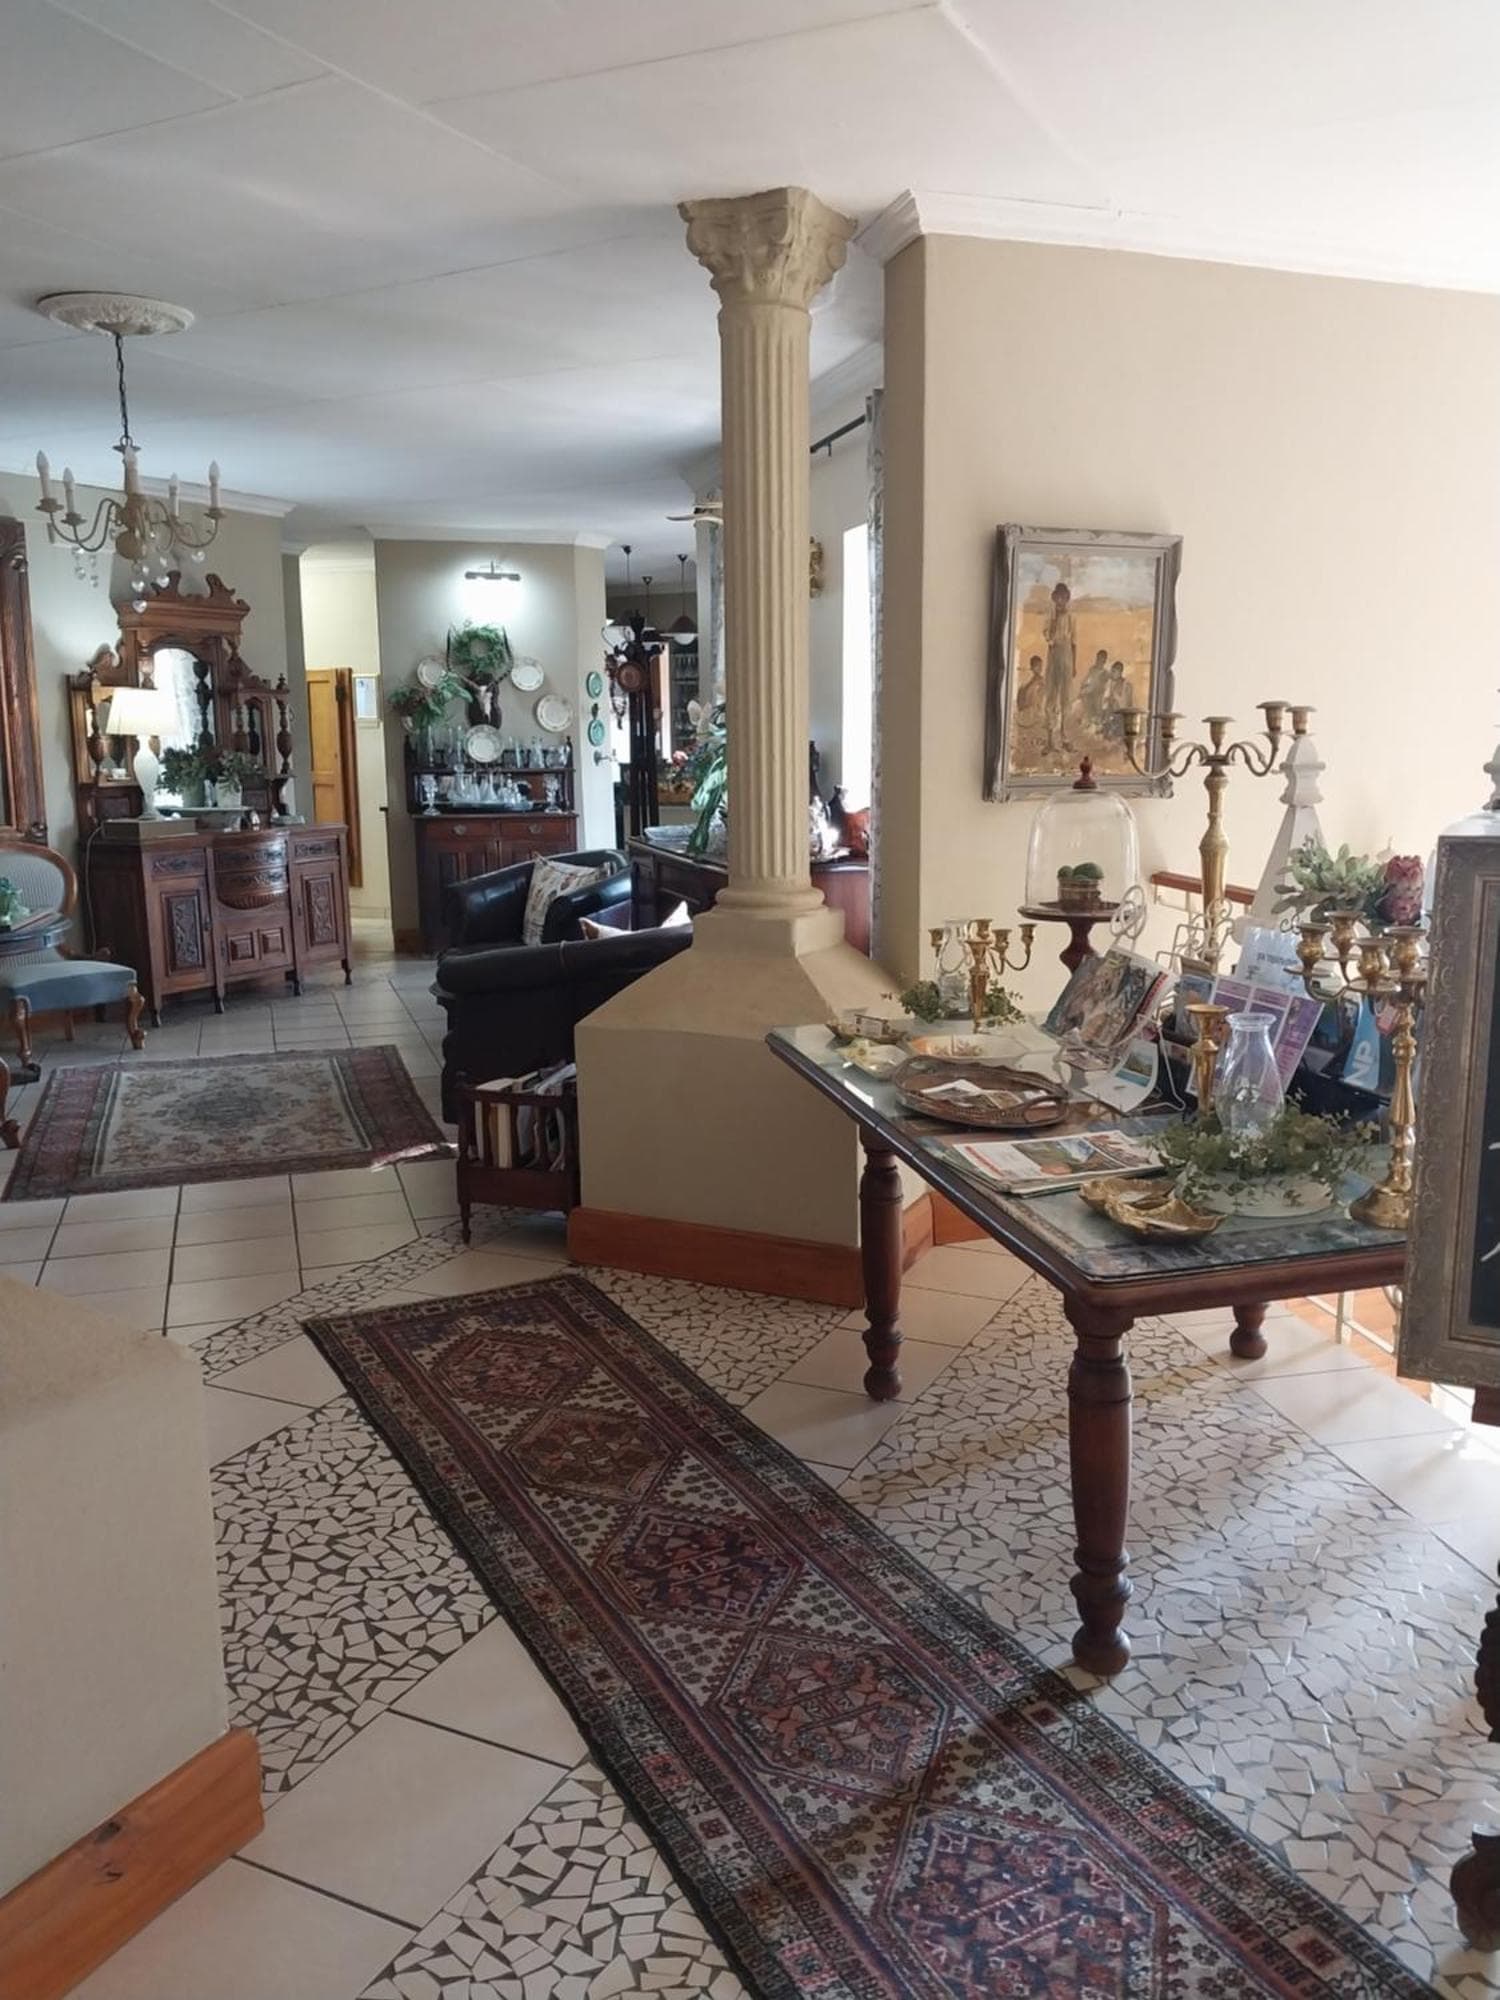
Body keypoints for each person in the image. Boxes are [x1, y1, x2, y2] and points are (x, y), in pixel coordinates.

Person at [1042, 581, 1075, 753]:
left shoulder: (1071, 617)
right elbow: (1046, 633)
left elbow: (1074, 642)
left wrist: (1073, 665)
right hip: (1053, 657)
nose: (1060, 601)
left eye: (1063, 598)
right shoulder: (1051, 615)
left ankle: (1065, 738)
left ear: (1067, 598)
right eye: (1058, 598)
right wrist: (1050, 639)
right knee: (1051, 698)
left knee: (1066, 699)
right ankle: (1050, 741)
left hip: (1067, 658)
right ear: (1054, 598)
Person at [1080, 648, 1110, 732]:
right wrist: (1083, 686)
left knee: (1098, 701)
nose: (1099, 661)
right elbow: (1087, 679)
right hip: (1091, 691)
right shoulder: (1092, 669)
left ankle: (1098, 722)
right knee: (1085, 696)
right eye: (1098, 658)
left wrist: (1102, 687)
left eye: (1102, 659)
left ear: (1104, 661)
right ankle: (1088, 720)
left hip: (1099, 693)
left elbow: (1106, 685)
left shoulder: (1105, 672)